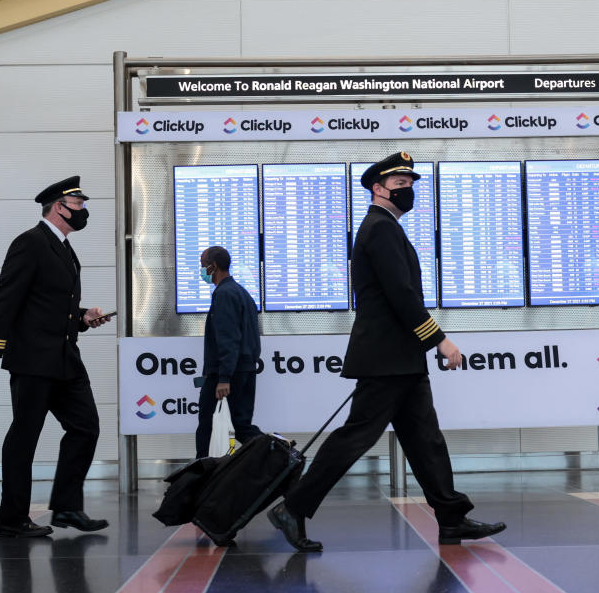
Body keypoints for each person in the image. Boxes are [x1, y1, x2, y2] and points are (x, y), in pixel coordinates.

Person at [269, 152, 506, 552]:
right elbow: (401, 294)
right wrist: (439, 339)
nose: (407, 189)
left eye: (410, 183)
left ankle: (450, 518)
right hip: (386, 358)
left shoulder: (387, 228)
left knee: (425, 440)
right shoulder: (379, 229)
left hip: (400, 358)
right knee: (355, 438)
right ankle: (292, 507)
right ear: (377, 188)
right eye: (398, 183)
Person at [0, 175, 113, 538]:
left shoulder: (64, 248)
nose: (84, 211)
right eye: (79, 205)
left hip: (64, 358)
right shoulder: (30, 243)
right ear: (58, 207)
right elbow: (6, 298)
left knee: (85, 427)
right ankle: (11, 518)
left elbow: (50, 303)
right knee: (25, 437)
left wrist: (82, 316)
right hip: (33, 361)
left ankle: (66, 508)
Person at [194, 246, 264, 457]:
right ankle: (279, 453)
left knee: (207, 424)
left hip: (226, 373)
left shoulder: (224, 294)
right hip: (245, 369)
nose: (202, 270)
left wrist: (224, 377)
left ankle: (202, 473)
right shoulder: (242, 293)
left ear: (213, 266)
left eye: (202, 265)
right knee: (241, 425)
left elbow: (228, 338)